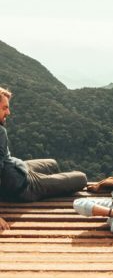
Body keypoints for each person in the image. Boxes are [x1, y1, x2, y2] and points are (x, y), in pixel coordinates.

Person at [0, 87, 87, 230]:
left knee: (52, 163)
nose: (8, 112)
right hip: (24, 187)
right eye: (4, 108)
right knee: (81, 178)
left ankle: (54, 183)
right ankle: (51, 186)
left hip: (16, 169)